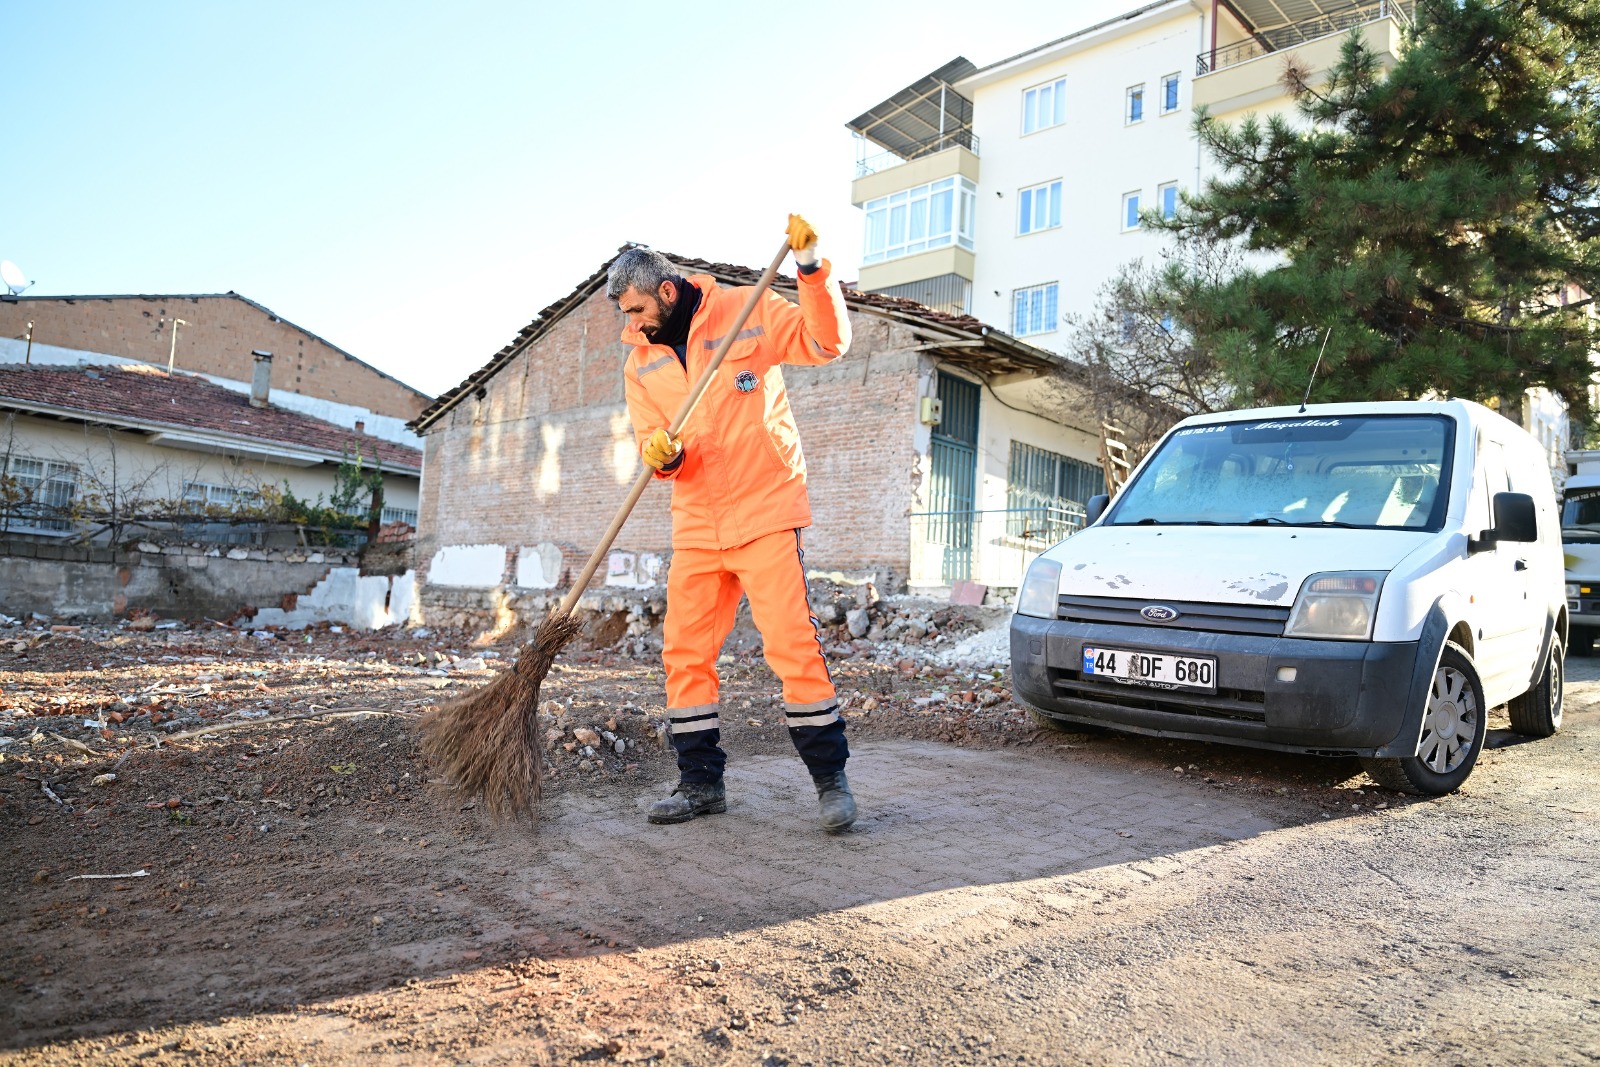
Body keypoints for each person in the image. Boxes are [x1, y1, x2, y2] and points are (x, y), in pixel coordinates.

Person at [608, 216, 855, 831]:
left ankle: (830, 783)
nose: (630, 323)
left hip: (767, 511)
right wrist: (660, 455)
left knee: (792, 649)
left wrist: (812, 269)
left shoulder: (747, 311)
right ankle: (700, 786)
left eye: (636, 308)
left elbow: (826, 344)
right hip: (696, 523)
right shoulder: (639, 364)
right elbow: (650, 440)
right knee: (684, 654)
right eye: (624, 312)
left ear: (666, 292)